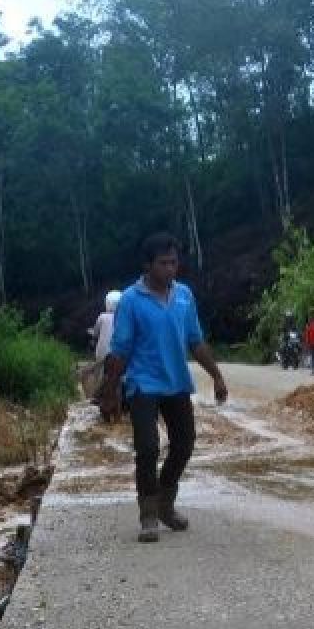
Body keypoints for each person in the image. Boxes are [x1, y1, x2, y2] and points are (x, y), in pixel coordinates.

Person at [99, 232, 229, 543]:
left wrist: (216, 375)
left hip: (176, 383)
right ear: (147, 266)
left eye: (174, 262)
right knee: (147, 448)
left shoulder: (184, 295)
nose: (171, 268)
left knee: (184, 445)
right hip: (143, 384)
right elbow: (120, 350)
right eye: (164, 263)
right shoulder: (131, 300)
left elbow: (195, 341)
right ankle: (147, 516)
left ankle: (165, 504)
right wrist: (110, 392)